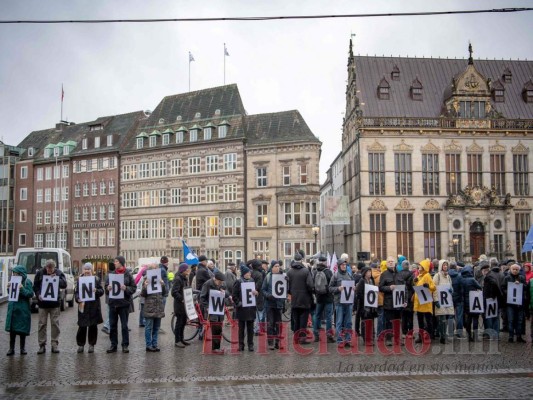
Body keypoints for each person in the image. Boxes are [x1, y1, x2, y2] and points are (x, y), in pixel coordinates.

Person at [33, 259, 67, 354]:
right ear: (45, 267)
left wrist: (57, 279)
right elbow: (35, 286)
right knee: (42, 324)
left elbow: (64, 284)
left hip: (54, 304)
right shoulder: (40, 273)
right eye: (48, 269)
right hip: (42, 304)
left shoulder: (58, 273)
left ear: (54, 268)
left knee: (55, 324)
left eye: (51, 269)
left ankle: (54, 344)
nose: (49, 271)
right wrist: (38, 294)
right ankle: (42, 345)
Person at [105, 256, 136, 353]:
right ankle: (113, 345)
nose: (114, 263)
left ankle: (125, 345)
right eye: (114, 261)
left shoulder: (128, 274)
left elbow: (133, 288)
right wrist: (108, 288)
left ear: (121, 263)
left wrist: (126, 288)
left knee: (124, 326)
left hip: (124, 304)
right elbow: (106, 288)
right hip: (113, 304)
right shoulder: (111, 274)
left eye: (116, 261)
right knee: (113, 325)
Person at [75, 263, 104, 353]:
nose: (87, 271)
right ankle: (81, 345)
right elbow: (76, 292)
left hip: (93, 306)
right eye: (85, 269)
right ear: (83, 270)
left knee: (93, 326)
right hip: (83, 306)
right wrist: (77, 299)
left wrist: (96, 291)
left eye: (89, 269)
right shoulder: (80, 280)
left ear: (91, 270)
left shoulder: (96, 280)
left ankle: (91, 345)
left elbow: (102, 291)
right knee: (82, 327)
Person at [5, 265, 34, 356]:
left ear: (21, 274)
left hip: (22, 309)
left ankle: (22, 348)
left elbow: (30, 293)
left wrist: (22, 289)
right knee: (12, 330)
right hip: (13, 308)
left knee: (22, 329)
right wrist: (8, 288)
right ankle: (11, 348)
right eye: (14, 273)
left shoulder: (27, 282)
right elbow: (11, 294)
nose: (14, 274)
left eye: (16, 273)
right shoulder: (12, 281)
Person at [287, 250, 314, 345]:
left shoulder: (289, 272)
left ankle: (296, 337)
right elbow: (310, 285)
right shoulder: (306, 271)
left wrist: (290, 292)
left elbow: (287, 286)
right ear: (301, 260)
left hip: (294, 299)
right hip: (304, 299)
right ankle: (302, 338)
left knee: (296, 319)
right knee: (303, 319)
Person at [200, 271, 228, 354]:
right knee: (215, 328)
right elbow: (202, 298)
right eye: (219, 282)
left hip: (219, 310)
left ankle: (217, 347)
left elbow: (227, 294)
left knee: (219, 328)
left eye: (221, 282)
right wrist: (207, 306)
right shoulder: (207, 284)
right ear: (215, 279)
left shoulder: (222, 284)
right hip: (212, 311)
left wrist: (225, 293)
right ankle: (215, 348)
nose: (220, 284)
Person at [142, 263, 168, 352]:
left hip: (158, 306)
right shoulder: (146, 279)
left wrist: (163, 284)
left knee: (156, 327)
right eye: (155, 268)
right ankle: (148, 345)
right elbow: (143, 294)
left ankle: (155, 344)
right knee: (149, 327)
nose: (157, 269)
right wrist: (145, 286)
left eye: (157, 268)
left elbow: (165, 293)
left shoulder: (159, 279)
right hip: (150, 307)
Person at [379, 256, 405, 345]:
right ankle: (389, 339)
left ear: (395, 263)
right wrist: (389, 288)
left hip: (399, 302)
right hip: (389, 302)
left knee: (398, 321)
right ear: (386, 264)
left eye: (392, 261)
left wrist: (405, 300)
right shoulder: (384, 274)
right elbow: (380, 288)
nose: (391, 263)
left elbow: (404, 289)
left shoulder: (400, 274)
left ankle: (398, 339)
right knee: (389, 322)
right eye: (389, 261)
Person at [329, 258, 354, 347]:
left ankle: (348, 340)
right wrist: (338, 289)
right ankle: (339, 341)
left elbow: (352, 286)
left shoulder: (349, 275)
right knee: (339, 322)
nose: (344, 266)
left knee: (348, 322)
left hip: (348, 302)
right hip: (339, 302)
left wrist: (354, 288)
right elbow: (330, 288)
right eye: (342, 265)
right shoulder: (335, 275)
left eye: (345, 265)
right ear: (339, 266)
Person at [232, 264, 258, 351]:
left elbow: (255, 294)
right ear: (243, 274)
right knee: (241, 329)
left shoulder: (252, 281)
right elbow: (234, 295)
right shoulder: (238, 282)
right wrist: (239, 303)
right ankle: (241, 345)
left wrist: (256, 293)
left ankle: (250, 344)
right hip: (242, 309)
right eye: (247, 273)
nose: (249, 274)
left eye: (249, 273)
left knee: (250, 329)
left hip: (251, 308)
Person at [261, 260, 285, 350]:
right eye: (276, 266)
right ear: (272, 267)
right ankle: (270, 342)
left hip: (279, 304)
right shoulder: (268, 276)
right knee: (270, 324)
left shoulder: (283, 276)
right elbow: (263, 290)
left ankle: (278, 342)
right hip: (269, 304)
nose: (277, 268)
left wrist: (287, 281)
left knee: (279, 324)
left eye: (278, 266)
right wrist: (268, 296)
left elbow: (286, 289)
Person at [312, 256, 335, 343]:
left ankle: (316, 335)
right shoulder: (328, 272)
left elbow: (313, 284)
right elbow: (332, 284)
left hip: (319, 297)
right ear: (325, 262)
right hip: (328, 297)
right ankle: (329, 335)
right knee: (329, 317)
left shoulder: (315, 271)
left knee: (317, 316)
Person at [413, 259, 436, 343]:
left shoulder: (427, 276)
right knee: (420, 321)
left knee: (428, 320)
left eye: (420, 266)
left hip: (425, 302)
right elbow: (418, 287)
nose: (419, 267)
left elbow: (433, 287)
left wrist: (428, 285)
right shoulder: (419, 276)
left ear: (424, 267)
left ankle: (429, 336)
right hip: (419, 302)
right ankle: (421, 336)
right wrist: (415, 282)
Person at [503, 264, 527, 343]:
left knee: (519, 320)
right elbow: (503, 288)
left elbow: (525, 287)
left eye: (517, 269)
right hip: (510, 303)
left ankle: (519, 336)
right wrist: (508, 292)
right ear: (510, 269)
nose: (515, 271)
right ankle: (510, 336)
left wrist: (520, 285)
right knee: (511, 320)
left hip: (520, 303)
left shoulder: (522, 278)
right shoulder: (507, 278)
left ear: (519, 270)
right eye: (514, 269)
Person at [433, 260, 455, 344]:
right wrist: (436, 300)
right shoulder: (437, 276)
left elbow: (451, 287)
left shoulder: (448, 276)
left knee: (447, 318)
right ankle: (442, 337)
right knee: (442, 319)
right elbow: (434, 289)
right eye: (444, 265)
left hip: (447, 301)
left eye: (446, 265)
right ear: (441, 266)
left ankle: (443, 335)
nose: (445, 267)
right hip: (440, 300)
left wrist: (451, 290)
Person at [460, 265, 482, 342]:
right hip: (474, 301)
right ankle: (475, 336)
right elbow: (479, 287)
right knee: (475, 318)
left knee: (468, 319)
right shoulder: (472, 279)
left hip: (466, 302)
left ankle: (469, 336)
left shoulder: (461, 279)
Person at [356, 266, 377, 345]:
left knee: (371, 322)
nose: (369, 273)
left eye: (370, 272)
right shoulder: (362, 281)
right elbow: (359, 293)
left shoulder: (372, 280)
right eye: (368, 272)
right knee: (365, 322)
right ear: (364, 273)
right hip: (364, 306)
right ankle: (366, 339)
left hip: (371, 305)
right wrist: (365, 298)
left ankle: (371, 337)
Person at [172, 263, 191, 348]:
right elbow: (174, 292)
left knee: (183, 322)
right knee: (179, 323)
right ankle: (177, 340)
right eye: (187, 269)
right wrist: (182, 299)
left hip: (185, 305)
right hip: (179, 305)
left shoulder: (184, 278)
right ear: (183, 270)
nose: (188, 270)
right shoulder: (178, 279)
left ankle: (182, 339)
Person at [397, 259, 414, 338]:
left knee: (403, 316)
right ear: (408, 266)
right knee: (410, 316)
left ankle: (404, 333)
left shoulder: (399, 274)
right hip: (410, 296)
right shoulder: (412, 274)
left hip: (401, 296)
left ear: (402, 266)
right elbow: (413, 286)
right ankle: (410, 333)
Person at [448, 262, 464, 338]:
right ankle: (459, 332)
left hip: (449, 298)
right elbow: (462, 288)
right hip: (458, 297)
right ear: (455, 268)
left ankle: (451, 332)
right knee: (459, 315)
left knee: (450, 316)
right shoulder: (459, 276)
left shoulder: (447, 276)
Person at [250, 259, 266, 336]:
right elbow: (259, 286)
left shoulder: (250, 273)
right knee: (259, 313)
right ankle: (257, 329)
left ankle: (253, 329)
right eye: (260, 265)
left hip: (250, 295)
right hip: (258, 295)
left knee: (253, 313)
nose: (261, 266)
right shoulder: (259, 274)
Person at [101, 261, 115, 335]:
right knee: (111, 313)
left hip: (108, 298)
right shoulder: (112, 275)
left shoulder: (107, 275)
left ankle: (108, 328)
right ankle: (106, 326)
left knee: (109, 312)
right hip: (110, 297)